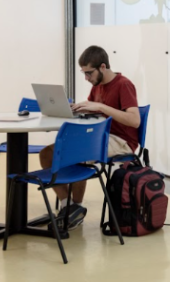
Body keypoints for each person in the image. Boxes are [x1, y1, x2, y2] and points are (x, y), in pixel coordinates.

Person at [39, 45, 140, 230]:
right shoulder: (97, 86)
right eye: (83, 73)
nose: (86, 78)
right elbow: (95, 112)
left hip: (121, 142)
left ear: (103, 67)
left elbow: (134, 120)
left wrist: (101, 108)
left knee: (76, 152)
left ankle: (74, 208)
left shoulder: (123, 84)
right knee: (47, 154)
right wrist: (78, 109)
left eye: (89, 73)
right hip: (101, 135)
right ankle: (68, 206)